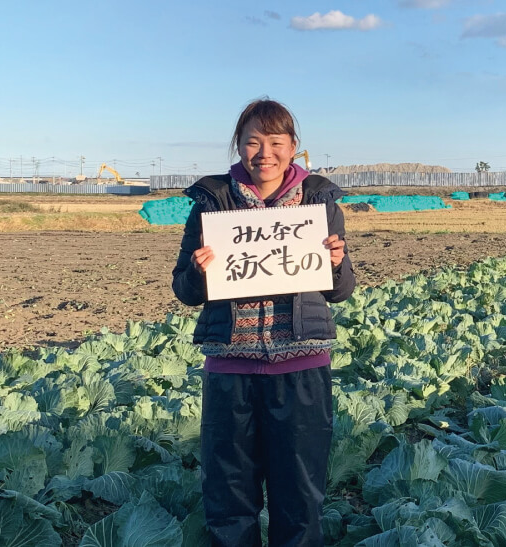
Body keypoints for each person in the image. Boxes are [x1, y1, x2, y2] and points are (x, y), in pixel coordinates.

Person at [171, 98, 354, 546]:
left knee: (299, 499)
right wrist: (198, 270)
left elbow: (339, 290)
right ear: (239, 146)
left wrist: (335, 262)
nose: (264, 153)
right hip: (230, 370)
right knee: (228, 498)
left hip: (302, 369)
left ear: (294, 147)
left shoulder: (319, 200)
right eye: (253, 142)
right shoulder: (212, 201)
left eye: (276, 142)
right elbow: (184, 289)